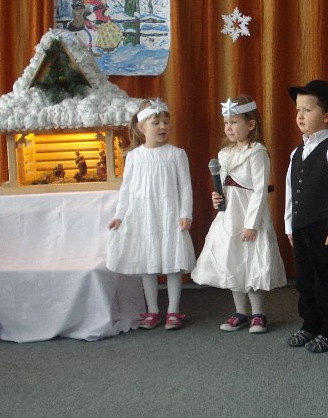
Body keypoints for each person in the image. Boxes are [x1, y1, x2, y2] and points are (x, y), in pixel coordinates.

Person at [191, 96, 286, 333]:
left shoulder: (257, 152)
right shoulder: (225, 153)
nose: (229, 128)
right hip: (229, 216)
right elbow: (224, 185)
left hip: (248, 214)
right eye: (226, 123)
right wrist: (217, 197)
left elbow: (259, 190)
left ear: (251, 124)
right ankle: (240, 312)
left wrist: (251, 224)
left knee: (250, 261)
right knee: (232, 259)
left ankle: (258, 313)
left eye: (234, 122)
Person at [107, 98, 195, 331]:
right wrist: (120, 215)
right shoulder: (134, 157)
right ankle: (153, 310)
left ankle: (173, 310)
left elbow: (185, 186)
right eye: (156, 123)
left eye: (166, 122)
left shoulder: (176, 154)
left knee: (173, 263)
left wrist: (186, 213)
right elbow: (126, 188)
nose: (162, 127)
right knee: (147, 263)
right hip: (143, 216)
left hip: (169, 215)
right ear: (141, 128)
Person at [284, 79, 328, 353]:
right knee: (305, 280)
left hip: (324, 229)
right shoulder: (296, 152)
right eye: (298, 110)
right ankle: (310, 324)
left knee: (327, 280)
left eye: (308, 110)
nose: (300, 116)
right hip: (301, 227)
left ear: (327, 116)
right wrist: (289, 225)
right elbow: (290, 190)